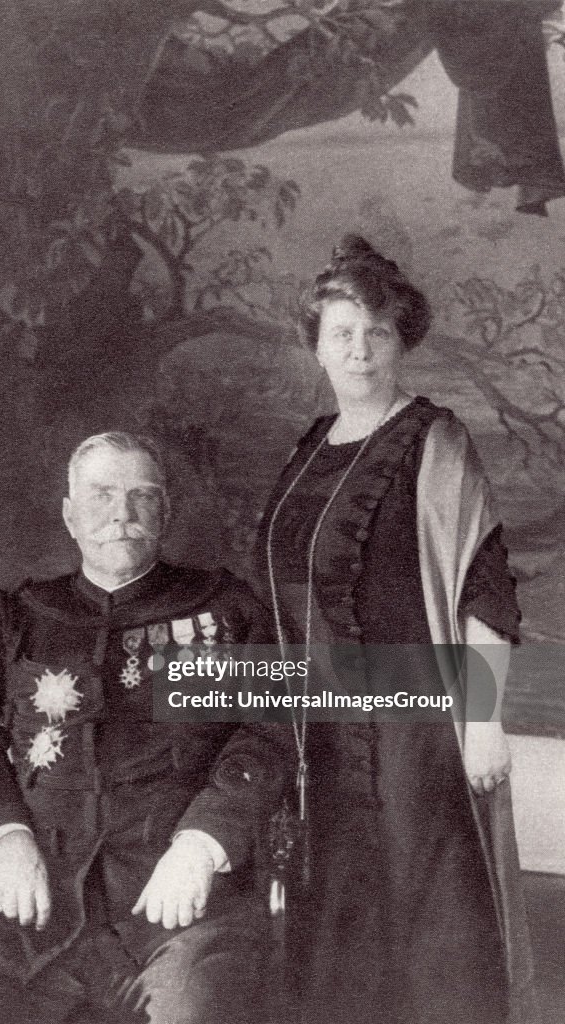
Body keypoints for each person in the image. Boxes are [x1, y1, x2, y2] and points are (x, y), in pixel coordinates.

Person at [255, 237, 539, 1024]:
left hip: (415, 731)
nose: (360, 349)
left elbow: (486, 588)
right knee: (340, 931)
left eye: (377, 332)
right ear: (315, 343)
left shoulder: (433, 439)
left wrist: (482, 720)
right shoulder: (308, 446)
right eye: (342, 332)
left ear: (401, 341)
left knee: (430, 926)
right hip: (320, 726)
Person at [0, 431, 290, 1024]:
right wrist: (4, 838)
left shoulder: (226, 610)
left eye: (142, 496)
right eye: (101, 495)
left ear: (165, 514)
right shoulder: (23, 618)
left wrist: (202, 844)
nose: (122, 513)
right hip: (30, 914)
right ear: (69, 515)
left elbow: (269, 735)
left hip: (179, 910)